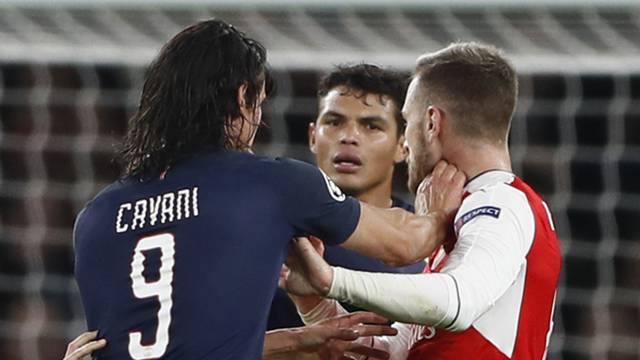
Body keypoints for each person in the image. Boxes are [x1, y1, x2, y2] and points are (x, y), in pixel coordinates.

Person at [72, 19, 465, 359]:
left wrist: (299, 340)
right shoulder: (273, 187)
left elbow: (181, 345)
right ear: (243, 97)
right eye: (258, 103)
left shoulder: (95, 217)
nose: (349, 138)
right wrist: (439, 212)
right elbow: (404, 246)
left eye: (371, 126)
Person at [283, 42, 562, 360]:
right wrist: (315, 303)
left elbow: (457, 302)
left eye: (408, 121)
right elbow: (391, 353)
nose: (408, 142)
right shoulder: (461, 218)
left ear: (431, 123)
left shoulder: (502, 203)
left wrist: (332, 279)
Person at [268, 64, 424, 330]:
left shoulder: (425, 242)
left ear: (403, 147)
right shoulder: (269, 228)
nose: (348, 137)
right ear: (312, 137)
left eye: (371, 126)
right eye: (333, 122)